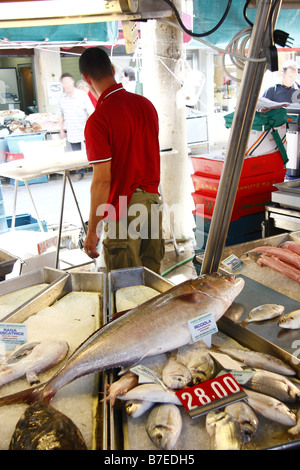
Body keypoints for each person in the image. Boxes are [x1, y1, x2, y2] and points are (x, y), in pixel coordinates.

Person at [78, 47, 164, 274]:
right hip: (152, 202)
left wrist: (92, 230)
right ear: (113, 70)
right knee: (152, 281)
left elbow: (101, 183)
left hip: (123, 209)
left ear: (86, 79)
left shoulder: (99, 120)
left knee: (126, 288)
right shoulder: (146, 105)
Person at [58, 73, 94, 181]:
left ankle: (96, 170)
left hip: (85, 128)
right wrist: (61, 130)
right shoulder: (61, 98)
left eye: (68, 82)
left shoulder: (82, 95)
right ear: (62, 84)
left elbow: (91, 112)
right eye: (64, 83)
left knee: (91, 151)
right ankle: (79, 173)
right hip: (72, 129)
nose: (67, 84)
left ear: (72, 82)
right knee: (76, 154)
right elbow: (60, 115)